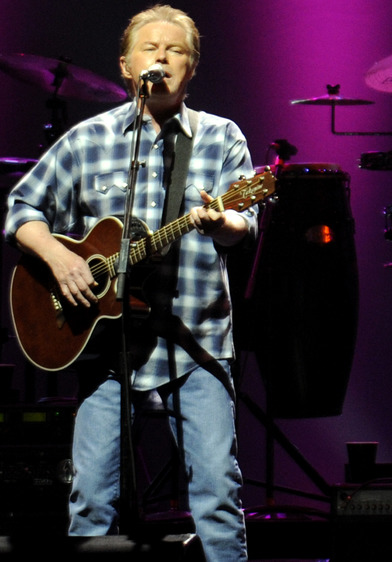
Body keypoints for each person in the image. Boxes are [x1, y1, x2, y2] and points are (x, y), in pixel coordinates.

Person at [5, 5, 254, 560]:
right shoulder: (87, 139)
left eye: (176, 51)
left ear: (192, 70)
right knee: (91, 496)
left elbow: (243, 225)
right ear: (125, 64)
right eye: (151, 48)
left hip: (196, 343)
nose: (162, 57)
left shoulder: (220, 137)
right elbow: (21, 207)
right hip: (107, 350)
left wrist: (225, 219)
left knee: (216, 494)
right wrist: (60, 258)